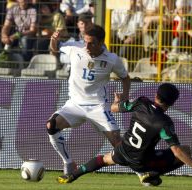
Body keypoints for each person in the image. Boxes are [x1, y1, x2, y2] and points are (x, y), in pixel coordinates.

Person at [57, 83, 192, 186]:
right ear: (172, 103)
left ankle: (71, 175)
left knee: (103, 159)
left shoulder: (141, 102)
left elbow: (114, 108)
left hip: (124, 150)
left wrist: (117, 100)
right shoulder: (164, 123)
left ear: (156, 95)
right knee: (186, 149)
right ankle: (151, 174)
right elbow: (177, 151)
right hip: (143, 161)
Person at [47, 24, 131, 176]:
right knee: (51, 125)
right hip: (74, 104)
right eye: (85, 41)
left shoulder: (112, 59)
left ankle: (142, 172)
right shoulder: (75, 48)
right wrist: (53, 39)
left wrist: (124, 96)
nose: (86, 45)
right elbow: (54, 49)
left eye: (91, 43)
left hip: (98, 106)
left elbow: (125, 78)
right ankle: (68, 163)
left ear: (100, 43)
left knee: (117, 142)